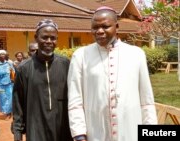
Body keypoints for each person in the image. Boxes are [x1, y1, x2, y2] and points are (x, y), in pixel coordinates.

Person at [67, 6, 158, 141]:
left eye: (105, 26)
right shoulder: (80, 56)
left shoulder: (136, 54)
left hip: (130, 131)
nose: (99, 31)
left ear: (117, 27)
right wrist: (79, 134)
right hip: (95, 132)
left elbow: (147, 101)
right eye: (95, 27)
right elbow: (75, 101)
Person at [12, 19, 73, 141]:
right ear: (36, 38)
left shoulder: (66, 64)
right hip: (36, 128)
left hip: (63, 127)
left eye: (53, 38)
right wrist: (17, 132)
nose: (49, 42)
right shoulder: (24, 68)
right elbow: (18, 102)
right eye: (44, 37)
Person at [0, 50, 14, 120]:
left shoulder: (9, 64)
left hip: (9, 84)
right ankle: (6, 112)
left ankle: (9, 113)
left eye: (4, 54)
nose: (3, 56)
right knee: (3, 98)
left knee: (10, 98)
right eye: (1, 54)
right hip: (1, 86)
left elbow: (13, 72)